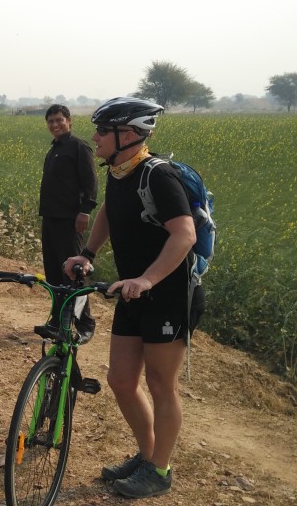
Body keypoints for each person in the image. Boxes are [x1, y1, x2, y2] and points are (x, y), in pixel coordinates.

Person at [64, 96, 204, 499]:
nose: (94, 137)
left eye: (101, 131)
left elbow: (185, 234)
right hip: (133, 291)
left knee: (161, 383)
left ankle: (160, 470)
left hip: (170, 295)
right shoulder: (120, 171)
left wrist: (147, 279)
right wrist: (88, 254)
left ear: (126, 135)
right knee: (121, 380)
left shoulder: (158, 176)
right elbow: (110, 209)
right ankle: (146, 456)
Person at [38, 104, 98, 343]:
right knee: (54, 274)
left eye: (59, 120)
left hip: (70, 220)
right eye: (51, 121)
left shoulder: (78, 147)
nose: (55, 125)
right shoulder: (54, 149)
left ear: (69, 121)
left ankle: (85, 323)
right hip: (51, 218)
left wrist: (85, 211)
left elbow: (90, 183)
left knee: (74, 274)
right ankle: (57, 322)